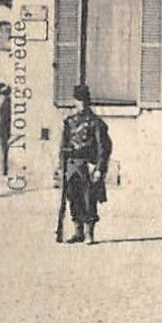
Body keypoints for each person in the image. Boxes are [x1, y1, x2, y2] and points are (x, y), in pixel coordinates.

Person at [58, 84, 112, 244]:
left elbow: (104, 148)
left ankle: (89, 233)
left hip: (88, 165)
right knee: (73, 198)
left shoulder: (96, 123)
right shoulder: (69, 122)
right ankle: (78, 232)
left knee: (89, 199)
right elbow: (63, 146)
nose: (81, 104)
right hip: (72, 165)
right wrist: (61, 167)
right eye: (78, 100)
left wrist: (99, 169)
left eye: (83, 101)